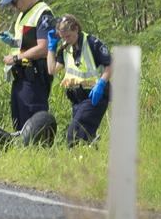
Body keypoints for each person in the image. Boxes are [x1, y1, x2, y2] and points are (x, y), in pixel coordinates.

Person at [46, 14, 112, 147]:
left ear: (76, 29)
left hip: (94, 96)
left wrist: (101, 84)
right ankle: (90, 160)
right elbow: (52, 69)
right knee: (85, 137)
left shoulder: (92, 43)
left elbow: (110, 64)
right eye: (63, 37)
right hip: (77, 99)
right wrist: (51, 48)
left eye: (68, 36)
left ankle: (77, 161)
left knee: (73, 135)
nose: (66, 40)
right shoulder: (66, 48)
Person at [0, 0, 54, 131]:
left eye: (14, 2)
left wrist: (15, 58)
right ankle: (24, 152)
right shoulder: (24, 14)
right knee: (19, 122)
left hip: (34, 76)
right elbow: (28, 44)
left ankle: (37, 153)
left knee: (33, 124)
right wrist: (13, 42)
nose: (13, 7)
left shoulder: (43, 13)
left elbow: (43, 48)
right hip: (21, 76)